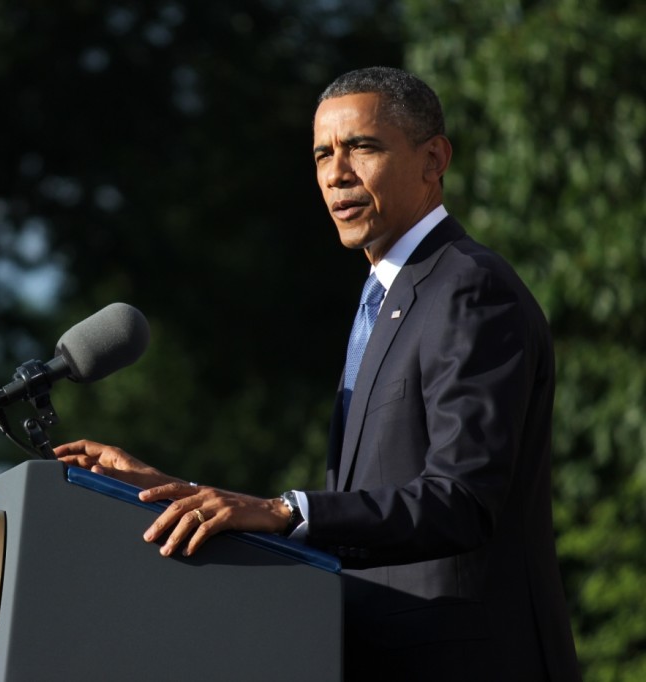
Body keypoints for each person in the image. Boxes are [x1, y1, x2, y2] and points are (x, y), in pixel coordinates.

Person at [54, 66, 580, 681]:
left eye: (363, 147)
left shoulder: (469, 288)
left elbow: (461, 500)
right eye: (323, 154)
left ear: (433, 159)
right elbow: (364, 507)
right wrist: (176, 494)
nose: (337, 174)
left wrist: (285, 509)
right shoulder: (387, 298)